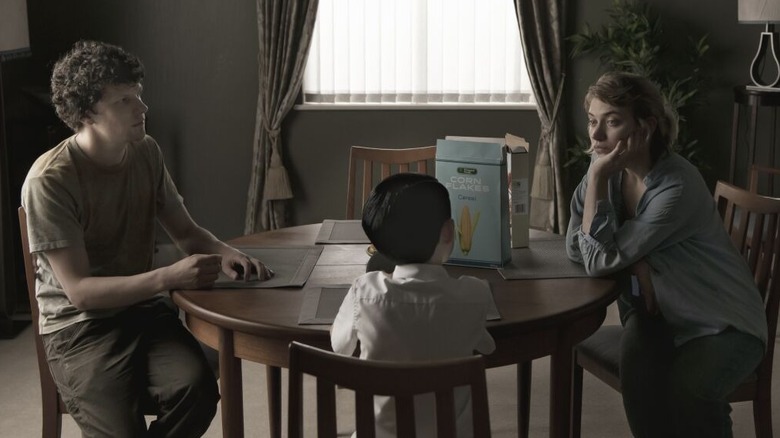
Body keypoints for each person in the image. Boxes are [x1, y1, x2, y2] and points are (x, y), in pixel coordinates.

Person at [21, 40, 273, 437]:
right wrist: (168, 278)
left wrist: (227, 254)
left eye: (138, 95)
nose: (143, 108)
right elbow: (81, 292)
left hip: (141, 312)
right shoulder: (50, 180)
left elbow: (187, 232)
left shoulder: (145, 152)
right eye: (124, 101)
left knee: (199, 391)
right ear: (87, 112)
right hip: (77, 329)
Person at [566, 71, 767, 437]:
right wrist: (634, 262)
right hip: (660, 315)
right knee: (640, 377)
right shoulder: (608, 169)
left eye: (612, 122)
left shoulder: (676, 186)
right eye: (593, 121)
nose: (596, 136)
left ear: (647, 125)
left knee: (689, 391)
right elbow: (575, 249)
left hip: (722, 323)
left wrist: (596, 180)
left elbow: (595, 260)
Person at [331, 172, 495, 438]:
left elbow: (339, 347)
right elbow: (488, 345)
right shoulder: (475, 294)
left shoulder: (364, 293)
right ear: (448, 232)